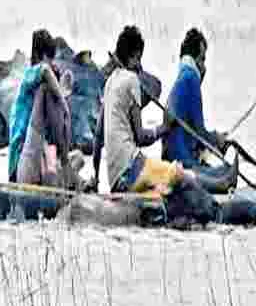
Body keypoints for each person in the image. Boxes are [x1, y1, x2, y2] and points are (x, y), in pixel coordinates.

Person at [100, 25, 185, 195]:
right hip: (130, 168)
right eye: (139, 59)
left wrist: (96, 178)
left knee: (162, 185)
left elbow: (98, 138)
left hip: (115, 179)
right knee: (180, 173)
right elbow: (140, 137)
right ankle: (222, 182)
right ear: (135, 56)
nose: (140, 65)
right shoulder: (132, 80)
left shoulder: (110, 81)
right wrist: (165, 127)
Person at [162, 28, 238, 194]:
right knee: (225, 171)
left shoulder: (182, 77)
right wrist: (217, 140)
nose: (204, 66)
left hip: (173, 159)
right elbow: (200, 132)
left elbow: (192, 134)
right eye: (203, 59)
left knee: (219, 170)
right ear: (195, 60)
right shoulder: (191, 78)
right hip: (182, 162)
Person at [7, 29, 72, 184]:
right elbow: (44, 70)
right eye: (50, 59)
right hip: (21, 157)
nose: (52, 64)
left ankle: (65, 170)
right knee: (47, 90)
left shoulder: (35, 83)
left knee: (75, 159)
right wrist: (62, 101)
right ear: (41, 57)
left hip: (33, 155)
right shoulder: (30, 75)